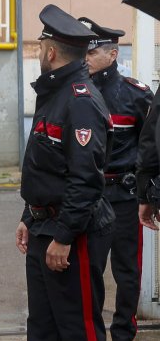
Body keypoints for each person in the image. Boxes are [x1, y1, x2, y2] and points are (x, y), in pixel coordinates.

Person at [17, 4, 114, 341]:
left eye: (41, 46)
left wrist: (64, 237)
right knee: (42, 328)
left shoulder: (80, 100)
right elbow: (43, 165)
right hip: (45, 225)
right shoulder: (53, 92)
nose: (40, 52)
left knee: (78, 329)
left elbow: (85, 180)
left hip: (74, 232)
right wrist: (29, 215)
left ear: (52, 51)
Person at [81, 17, 152, 341]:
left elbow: (150, 144)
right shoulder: (76, 94)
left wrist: (145, 189)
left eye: (91, 52)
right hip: (89, 198)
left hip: (123, 198)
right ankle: (92, 331)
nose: (84, 58)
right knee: (89, 269)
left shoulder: (135, 95)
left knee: (127, 272)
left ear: (111, 55)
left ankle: (124, 332)